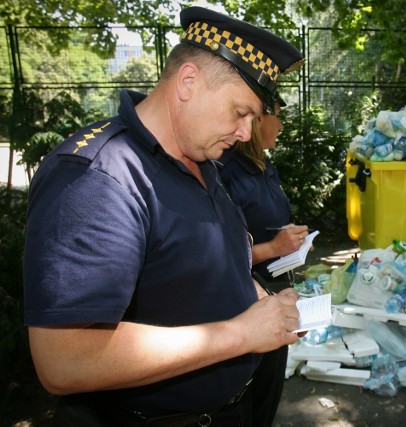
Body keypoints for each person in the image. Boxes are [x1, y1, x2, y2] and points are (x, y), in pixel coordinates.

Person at [22, 6, 305, 427]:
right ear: (188, 82)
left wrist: (263, 303)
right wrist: (242, 333)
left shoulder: (203, 157)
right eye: (240, 113)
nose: (247, 133)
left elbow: (207, 264)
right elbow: (65, 360)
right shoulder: (99, 179)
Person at [219, 95, 310, 294]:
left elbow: (265, 221)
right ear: (258, 119)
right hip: (246, 296)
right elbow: (219, 255)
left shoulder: (262, 164)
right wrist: (274, 247)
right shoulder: (224, 172)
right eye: (277, 116)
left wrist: (292, 238)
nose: (281, 125)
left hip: (275, 285)